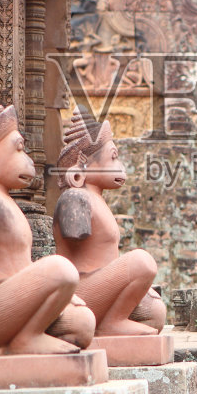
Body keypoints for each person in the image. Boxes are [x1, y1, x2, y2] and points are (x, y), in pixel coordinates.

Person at [0, 85, 94, 355]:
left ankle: (20, 339)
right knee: (60, 269)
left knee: (82, 323)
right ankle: (24, 339)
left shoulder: (3, 199)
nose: (27, 160)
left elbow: (17, 266)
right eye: (18, 150)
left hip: (15, 304)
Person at [52, 110, 165, 336]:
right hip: (80, 291)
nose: (119, 165)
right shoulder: (75, 198)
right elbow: (73, 240)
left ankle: (112, 321)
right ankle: (111, 323)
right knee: (142, 262)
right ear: (82, 165)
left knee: (156, 313)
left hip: (101, 289)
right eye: (113, 157)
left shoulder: (95, 199)